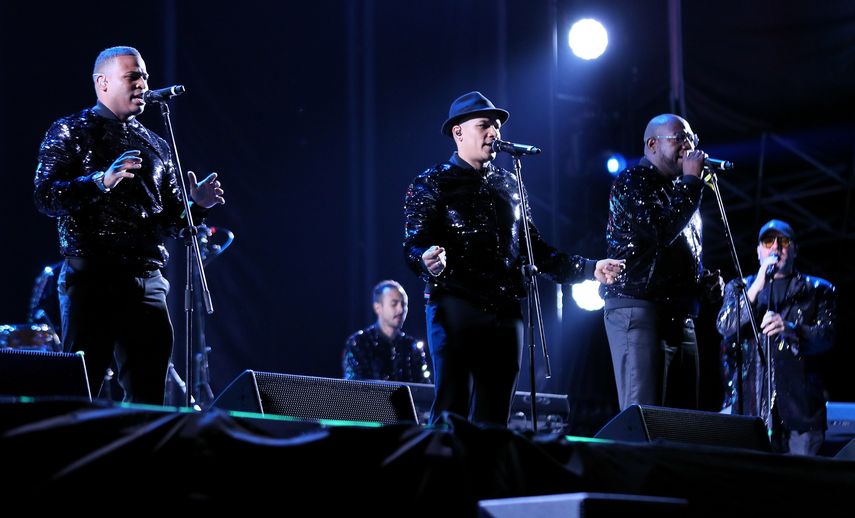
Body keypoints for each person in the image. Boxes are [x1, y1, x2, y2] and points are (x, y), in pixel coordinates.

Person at [404, 91, 623, 427]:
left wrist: (589, 269)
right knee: (452, 408)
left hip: (505, 313)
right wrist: (426, 258)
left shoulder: (510, 185)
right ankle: (445, 475)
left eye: (496, 127)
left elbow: (536, 250)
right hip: (455, 306)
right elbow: (413, 244)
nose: (494, 133)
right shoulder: (432, 183)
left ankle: (490, 477)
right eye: (484, 126)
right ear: (458, 132)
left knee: (495, 415)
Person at [33, 46, 225, 404]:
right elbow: (46, 197)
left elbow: (170, 223)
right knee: (81, 389)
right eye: (133, 76)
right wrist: (99, 182)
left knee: (149, 392)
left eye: (145, 76)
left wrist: (196, 208)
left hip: (148, 281)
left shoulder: (156, 144)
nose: (144, 84)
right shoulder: (70, 131)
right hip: (91, 279)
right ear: (102, 83)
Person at [601, 113, 722, 412]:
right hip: (639, 310)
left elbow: (673, 253)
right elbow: (658, 231)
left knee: (682, 421)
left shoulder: (682, 191)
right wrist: (692, 183)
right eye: (680, 137)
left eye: (692, 138)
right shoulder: (632, 182)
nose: (689, 145)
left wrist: (702, 280)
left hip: (680, 316)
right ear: (652, 144)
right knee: (646, 415)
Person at [716, 220, 835, 455]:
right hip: (751, 409)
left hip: (801, 410)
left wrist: (792, 329)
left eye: (784, 241)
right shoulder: (741, 288)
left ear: (794, 249)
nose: (776, 248)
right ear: (759, 251)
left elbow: (827, 336)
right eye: (768, 242)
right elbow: (725, 325)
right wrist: (758, 284)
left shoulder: (818, 289)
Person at [343, 280, 432, 383]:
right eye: (394, 304)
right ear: (378, 308)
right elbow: (354, 386)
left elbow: (424, 387)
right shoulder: (359, 343)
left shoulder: (412, 346)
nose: (400, 309)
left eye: (404, 304)